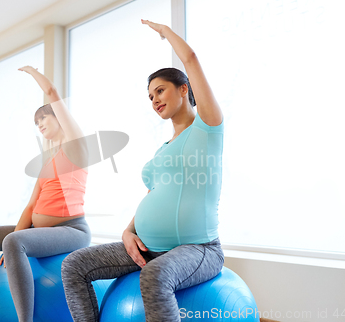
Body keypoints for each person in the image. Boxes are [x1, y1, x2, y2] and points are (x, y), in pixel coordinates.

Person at [61, 20, 225, 322]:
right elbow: (153, 194)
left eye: (160, 91)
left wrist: (166, 33)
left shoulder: (207, 130)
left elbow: (191, 59)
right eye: (150, 97)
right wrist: (128, 231)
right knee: (74, 265)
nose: (155, 100)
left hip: (197, 249)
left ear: (183, 89)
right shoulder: (164, 148)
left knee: (154, 275)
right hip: (148, 247)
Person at [0, 66, 91, 322]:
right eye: (36, 122)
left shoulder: (77, 148)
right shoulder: (47, 162)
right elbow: (31, 206)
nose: (39, 124)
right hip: (38, 231)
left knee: (13, 242)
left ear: (60, 118)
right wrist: (16, 237)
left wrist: (33, 73)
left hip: (71, 230)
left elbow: (52, 92)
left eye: (44, 118)